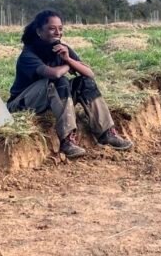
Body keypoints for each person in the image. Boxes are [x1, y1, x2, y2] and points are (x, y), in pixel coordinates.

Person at [8, 10, 133, 158]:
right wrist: (70, 64)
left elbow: (89, 73)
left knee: (85, 82)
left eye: (60, 28)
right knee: (59, 81)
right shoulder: (28, 54)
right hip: (22, 103)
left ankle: (106, 133)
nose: (57, 32)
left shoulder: (62, 49)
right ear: (39, 31)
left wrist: (68, 58)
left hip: (50, 99)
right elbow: (54, 74)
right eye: (52, 28)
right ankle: (67, 140)